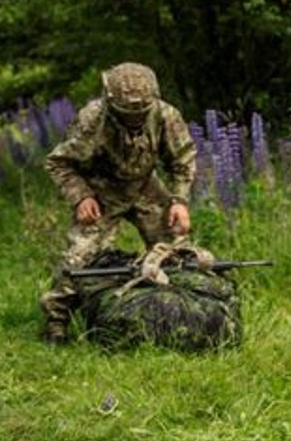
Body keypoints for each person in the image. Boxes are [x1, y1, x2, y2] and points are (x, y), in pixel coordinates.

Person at [39, 62, 197, 344]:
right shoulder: (92, 119)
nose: (134, 120)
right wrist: (81, 197)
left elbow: (182, 160)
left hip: (146, 186)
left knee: (177, 246)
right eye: (126, 114)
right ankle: (57, 321)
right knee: (80, 256)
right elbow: (59, 162)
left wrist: (179, 201)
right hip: (102, 191)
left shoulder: (165, 115)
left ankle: (180, 314)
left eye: (140, 114)